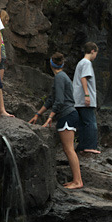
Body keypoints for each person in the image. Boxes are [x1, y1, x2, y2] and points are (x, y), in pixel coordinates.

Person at [28, 53, 83, 189]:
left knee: (69, 149)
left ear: (51, 64)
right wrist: (38, 114)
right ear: (62, 64)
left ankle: (78, 181)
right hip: (69, 114)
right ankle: (76, 180)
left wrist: (50, 117)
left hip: (67, 115)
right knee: (68, 149)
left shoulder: (59, 77)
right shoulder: (62, 77)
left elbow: (59, 101)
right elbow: (51, 99)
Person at [72, 41, 101, 154]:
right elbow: (84, 78)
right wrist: (87, 95)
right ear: (93, 51)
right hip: (84, 99)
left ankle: (82, 146)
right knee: (91, 123)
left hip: (78, 99)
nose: (95, 56)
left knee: (83, 124)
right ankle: (90, 146)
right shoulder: (86, 63)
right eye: (96, 53)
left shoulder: (80, 63)